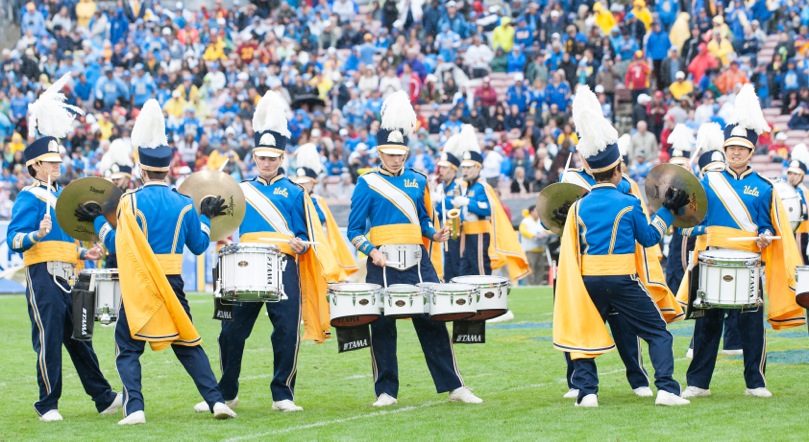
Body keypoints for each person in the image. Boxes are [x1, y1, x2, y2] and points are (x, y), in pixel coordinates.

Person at [77, 99, 236, 424]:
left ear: (140, 167)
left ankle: (134, 407)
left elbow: (116, 245)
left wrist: (97, 222)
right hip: (173, 281)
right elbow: (199, 244)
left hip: (139, 284)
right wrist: (205, 216)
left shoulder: (130, 201)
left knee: (127, 345)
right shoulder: (183, 202)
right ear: (168, 167)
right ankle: (216, 402)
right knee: (187, 341)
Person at [193, 92, 333, 414]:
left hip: (284, 266)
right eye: (261, 157)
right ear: (254, 157)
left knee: (285, 331)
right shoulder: (239, 189)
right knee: (230, 332)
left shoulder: (297, 192)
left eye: (272, 158)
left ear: (281, 158)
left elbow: (306, 234)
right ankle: (226, 394)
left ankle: (282, 394)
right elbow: (224, 225)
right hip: (246, 265)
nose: (266, 163)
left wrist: (299, 243)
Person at [553, 84, 691, 408]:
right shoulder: (628, 202)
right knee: (658, 332)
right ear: (618, 169)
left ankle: (587, 393)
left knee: (584, 331)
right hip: (623, 279)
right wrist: (667, 211)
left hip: (587, 280)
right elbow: (649, 238)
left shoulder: (578, 206)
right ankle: (668, 390)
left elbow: (570, 246)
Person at [347, 91, 481, 407]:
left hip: (418, 263)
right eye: (391, 153)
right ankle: (386, 391)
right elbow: (354, 230)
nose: (397, 158)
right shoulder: (366, 183)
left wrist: (435, 235)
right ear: (380, 152)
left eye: (401, 153)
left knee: (433, 322)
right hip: (381, 265)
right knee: (381, 326)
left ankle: (455, 386)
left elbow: (422, 220)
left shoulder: (419, 181)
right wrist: (371, 251)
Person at [677, 85, 806, 399]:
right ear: (725, 149)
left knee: (751, 326)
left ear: (751, 152)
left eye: (741, 149)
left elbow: (768, 225)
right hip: (712, 259)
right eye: (731, 148)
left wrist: (764, 237)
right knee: (707, 324)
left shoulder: (764, 187)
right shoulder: (707, 182)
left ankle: (756, 382)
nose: (735, 153)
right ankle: (698, 383)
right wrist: (691, 229)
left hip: (749, 262)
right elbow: (691, 223)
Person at [7, 76, 122, 422]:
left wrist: (83, 253)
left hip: (70, 274)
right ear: (36, 166)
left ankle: (102, 397)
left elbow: (67, 242)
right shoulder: (29, 197)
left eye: (57, 160)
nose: (57, 165)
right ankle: (48, 403)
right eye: (50, 161)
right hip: (42, 275)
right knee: (49, 338)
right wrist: (35, 235)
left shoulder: (61, 198)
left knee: (80, 338)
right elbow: (13, 239)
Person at [450, 124, 530, 280]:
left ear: (477, 168)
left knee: (480, 271)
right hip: (467, 233)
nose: (464, 171)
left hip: (479, 233)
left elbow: (488, 209)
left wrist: (467, 202)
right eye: (464, 168)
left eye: (468, 167)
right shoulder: (465, 186)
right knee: (464, 272)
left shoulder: (482, 187)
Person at [291, 142, 358, 281]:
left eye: (305, 183)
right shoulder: (293, 200)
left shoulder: (317, 200)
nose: (302, 186)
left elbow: (320, 218)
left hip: (316, 245)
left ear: (312, 184)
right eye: (299, 183)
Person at [434, 132, 463, 281]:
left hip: (456, 231)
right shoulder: (442, 187)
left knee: (456, 264)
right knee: (447, 266)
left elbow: (457, 207)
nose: (441, 171)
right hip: (444, 230)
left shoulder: (458, 186)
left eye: (445, 168)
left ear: (453, 170)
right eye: (441, 168)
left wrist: (443, 201)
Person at [786, 143, 809, 264]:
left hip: (801, 229)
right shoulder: (786, 189)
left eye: (795, 174)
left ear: (801, 176)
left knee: (800, 256)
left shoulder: (803, 191)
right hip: (788, 228)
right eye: (790, 173)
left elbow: (806, 210)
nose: (792, 177)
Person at [519, 205, 549, 286]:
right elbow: (523, 231)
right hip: (530, 249)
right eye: (536, 211)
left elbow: (548, 230)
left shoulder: (541, 221)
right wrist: (534, 236)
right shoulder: (526, 221)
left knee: (540, 268)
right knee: (531, 268)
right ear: (531, 212)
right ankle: (530, 284)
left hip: (540, 249)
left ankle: (538, 284)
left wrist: (545, 234)